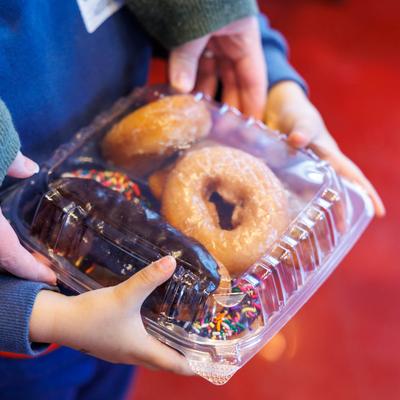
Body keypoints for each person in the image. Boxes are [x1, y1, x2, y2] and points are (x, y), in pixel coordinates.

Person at [0, 1, 384, 399]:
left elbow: (206, 17)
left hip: (131, 287)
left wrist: (268, 75)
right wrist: (35, 314)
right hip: (24, 330)